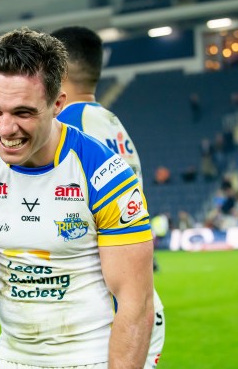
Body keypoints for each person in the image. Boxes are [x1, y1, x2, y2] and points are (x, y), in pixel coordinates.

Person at [0, 28, 154, 369]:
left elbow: (135, 301)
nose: (5, 128)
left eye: (22, 113)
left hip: (93, 357)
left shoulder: (104, 176)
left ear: (57, 104)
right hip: (12, 359)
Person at [52, 25, 166, 368]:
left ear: (57, 70)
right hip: (136, 300)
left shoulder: (65, 129)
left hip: (102, 311)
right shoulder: (113, 124)